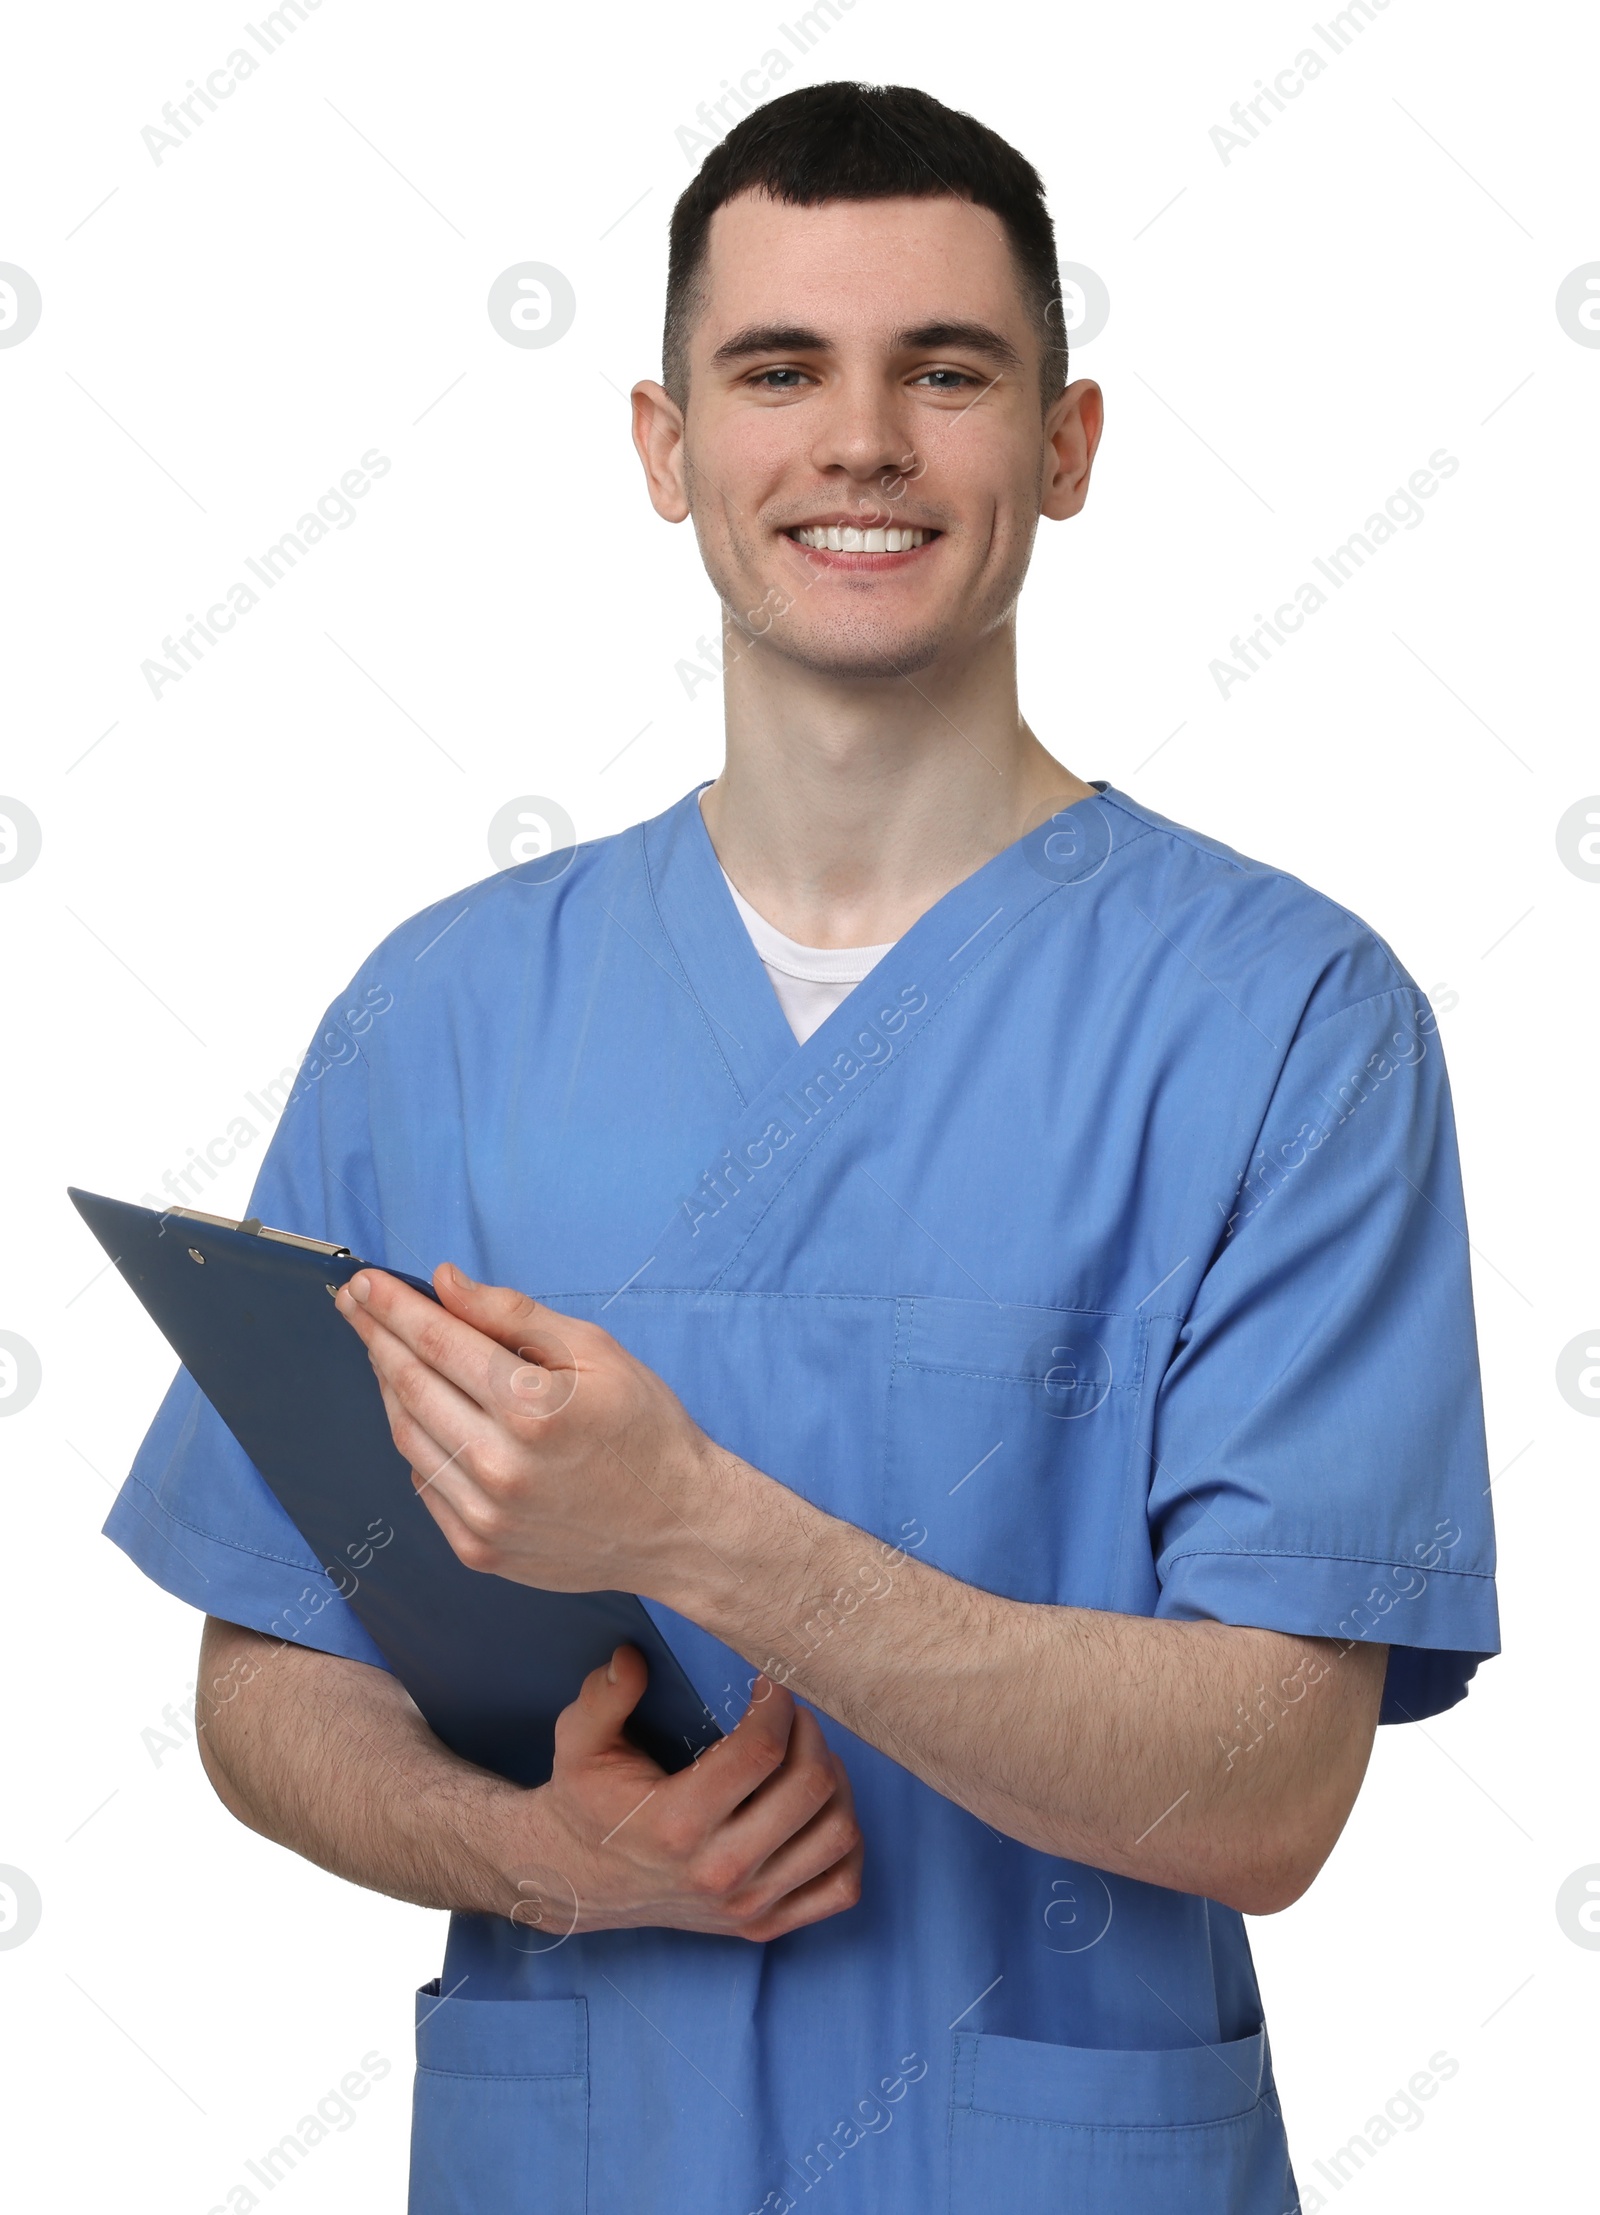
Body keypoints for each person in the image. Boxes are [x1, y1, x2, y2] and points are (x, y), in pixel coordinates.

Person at [106, 81, 1499, 2215]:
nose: (858, 441)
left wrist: (693, 1526)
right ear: (665, 449)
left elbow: (1269, 1795)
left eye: (943, 372)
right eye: (777, 370)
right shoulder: (443, 1019)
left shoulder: (1283, 1027)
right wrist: (529, 1857)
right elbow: (266, 1674)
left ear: (1066, 443)